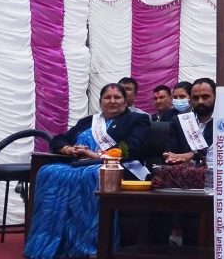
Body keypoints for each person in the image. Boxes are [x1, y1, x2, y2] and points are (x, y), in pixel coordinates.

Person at [25, 83, 151, 259]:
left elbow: (132, 146)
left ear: (125, 101)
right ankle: (50, 242)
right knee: (48, 171)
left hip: (119, 165)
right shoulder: (88, 121)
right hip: (80, 164)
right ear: (100, 102)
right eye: (107, 97)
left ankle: (91, 246)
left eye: (117, 97)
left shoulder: (137, 120)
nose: (112, 101)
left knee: (92, 174)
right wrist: (68, 149)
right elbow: (59, 139)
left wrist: (95, 155)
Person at [164, 78, 224, 165]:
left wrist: (193, 155)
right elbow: (171, 153)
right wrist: (170, 157)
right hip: (183, 170)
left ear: (216, 97)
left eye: (205, 97)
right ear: (190, 99)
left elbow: (223, 151)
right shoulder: (179, 121)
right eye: (195, 98)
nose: (200, 101)